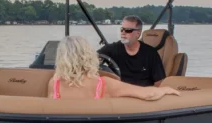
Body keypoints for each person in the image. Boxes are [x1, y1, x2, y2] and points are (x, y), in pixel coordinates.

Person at [48, 36, 181, 101]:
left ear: (61, 58)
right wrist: (166, 89)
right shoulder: (104, 84)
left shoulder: (54, 83)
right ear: (89, 55)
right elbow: (148, 94)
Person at [97, 15, 166, 87]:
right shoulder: (112, 49)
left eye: (128, 30)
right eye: (122, 29)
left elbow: (159, 83)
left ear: (138, 33)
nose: (123, 32)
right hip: (118, 93)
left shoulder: (151, 54)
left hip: (142, 94)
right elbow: (90, 59)